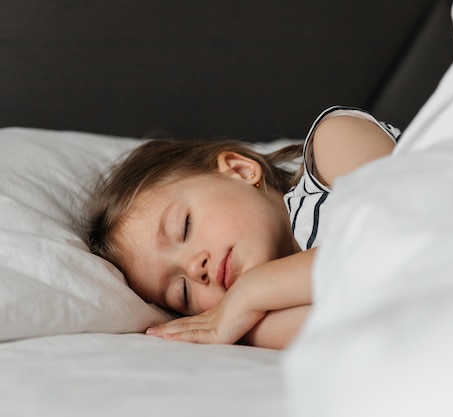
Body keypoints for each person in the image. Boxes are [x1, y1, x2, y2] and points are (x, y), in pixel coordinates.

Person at [86, 106, 399, 349]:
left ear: (239, 170)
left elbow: (400, 239)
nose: (196, 269)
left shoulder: (335, 141)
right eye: (182, 292)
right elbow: (375, 323)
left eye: (185, 227)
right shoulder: (255, 320)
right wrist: (241, 317)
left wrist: (252, 290)